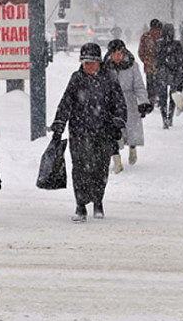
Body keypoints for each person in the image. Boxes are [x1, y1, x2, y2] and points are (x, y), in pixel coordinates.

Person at [51, 43, 127, 222]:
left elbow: (119, 104)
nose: (88, 66)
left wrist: (118, 124)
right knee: (80, 169)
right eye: (85, 63)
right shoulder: (76, 79)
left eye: (91, 62)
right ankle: (80, 205)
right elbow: (66, 103)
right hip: (80, 132)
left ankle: (98, 202)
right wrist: (59, 124)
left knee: (100, 169)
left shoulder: (109, 78)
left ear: (99, 62)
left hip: (103, 133)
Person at [103, 39, 153, 173]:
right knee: (112, 131)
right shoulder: (105, 67)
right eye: (114, 54)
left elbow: (139, 86)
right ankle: (117, 160)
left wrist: (143, 102)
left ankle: (132, 147)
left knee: (131, 129)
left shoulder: (132, 66)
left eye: (119, 53)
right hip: (112, 103)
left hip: (128, 101)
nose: (117, 57)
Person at [154, 22, 183, 129]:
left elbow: (157, 59)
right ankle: (169, 117)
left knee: (164, 97)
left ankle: (165, 119)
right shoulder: (176, 44)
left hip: (163, 73)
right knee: (172, 96)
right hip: (173, 73)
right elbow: (180, 59)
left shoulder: (159, 43)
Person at [138, 18, 163, 106]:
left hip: (149, 65)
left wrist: (145, 60)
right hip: (160, 65)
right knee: (159, 83)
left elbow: (141, 51)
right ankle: (159, 100)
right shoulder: (161, 36)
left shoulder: (145, 36)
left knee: (150, 84)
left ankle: (151, 100)